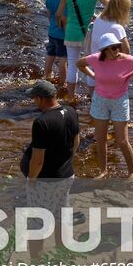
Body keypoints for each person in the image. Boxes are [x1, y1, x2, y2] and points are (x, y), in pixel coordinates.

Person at [77, 32, 133, 179]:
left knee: (122, 140)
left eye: (117, 47)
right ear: (104, 50)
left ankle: (132, 172)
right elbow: (79, 64)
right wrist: (93, 75)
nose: (117, 50)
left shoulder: (125, 59)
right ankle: (103, 170)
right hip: (100, 100)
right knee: (100, 138)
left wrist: (129, 75)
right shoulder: (95, 59)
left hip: (119, 101)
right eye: (113, 48)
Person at [23, 80, 80, 239]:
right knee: (61, 215)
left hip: (46, 181)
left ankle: (36, 261)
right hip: (67, 175)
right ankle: (61, 255)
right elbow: (76, 142)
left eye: (34, 98)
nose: (34, 101)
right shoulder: (71, 111)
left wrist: (31, 179)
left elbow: (38, 160)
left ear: (41, 99)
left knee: (37, 225)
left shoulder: (41, 123)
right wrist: (67, 160)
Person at [59, 0, 108, 95]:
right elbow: (112, 7)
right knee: (91, 65)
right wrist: (98, 18)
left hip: (71, 32)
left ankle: (70, 97)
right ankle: (92, 96)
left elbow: (59, 13)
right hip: (89, 33)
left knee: (73, 64)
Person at [43, 0, 70, 89]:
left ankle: (47, 76)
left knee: (50, 55)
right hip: (62, 34)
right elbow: (64, 19)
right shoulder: (65, 0)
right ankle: (62, 83)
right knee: (63, 59)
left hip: (52, 32)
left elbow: (49, 14)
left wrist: (52, 25)